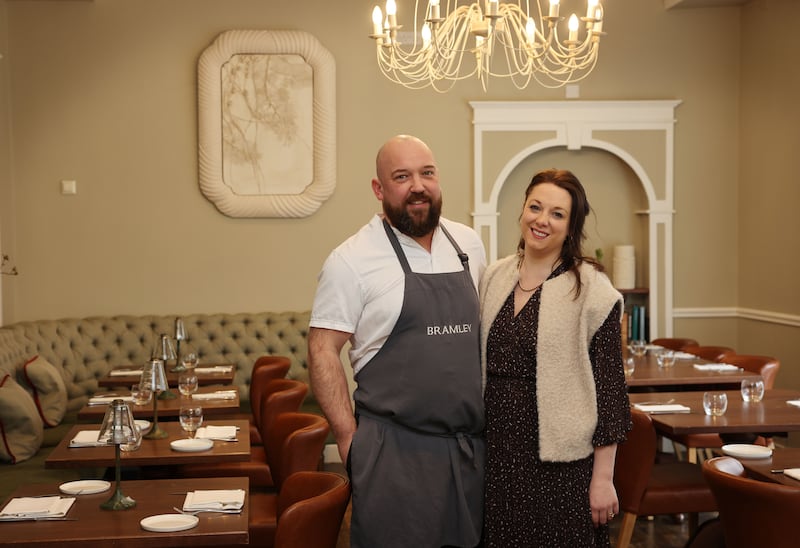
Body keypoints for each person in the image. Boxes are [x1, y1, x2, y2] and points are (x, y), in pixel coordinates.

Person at [308, 134, 487, 548]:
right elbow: (322, 349)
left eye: (427, 173)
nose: (418, 186)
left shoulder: (469, 245)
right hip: (393, 456)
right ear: (379, 188)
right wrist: (349, 440)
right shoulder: (351, 260)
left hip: (470, 453)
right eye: (402, 176)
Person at [479, 168, 632, 547]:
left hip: (561, 466)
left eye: (557, 214)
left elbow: (610, 393)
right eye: (535, 207)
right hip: (496, 456)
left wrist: (603, 478)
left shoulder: (593, 291)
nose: (541, 220)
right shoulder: (493, 277)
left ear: (571, 225)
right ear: (523, 210)